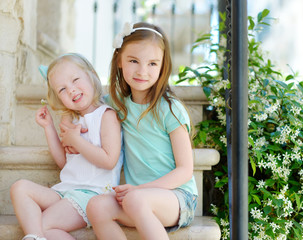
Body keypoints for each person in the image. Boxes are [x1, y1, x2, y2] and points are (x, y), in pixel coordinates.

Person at [79, 22, 198, 240]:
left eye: (152, 63)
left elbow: (185, 171)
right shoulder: (116, 104)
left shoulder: (169, 109)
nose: (142, 71)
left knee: (135, 200)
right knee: (96, 206)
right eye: (133, 61)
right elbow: (87, 109)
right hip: (137, 198)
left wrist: (141, 189)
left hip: (178, 198)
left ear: (163, 67)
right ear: (119, 61)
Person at [10, 53, 123, 240]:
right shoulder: (70, 119)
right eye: (62, 89)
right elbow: (64, 163)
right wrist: (48, 128)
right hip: (64, 190)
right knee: (19, 188)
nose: (71, 90)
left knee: (41, 225)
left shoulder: (107, 116)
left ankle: (35, 237)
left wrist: (77, 141)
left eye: (75, 80)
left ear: (92, 75)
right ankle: (35, 237)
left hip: (91, 194)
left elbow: (109, 161)